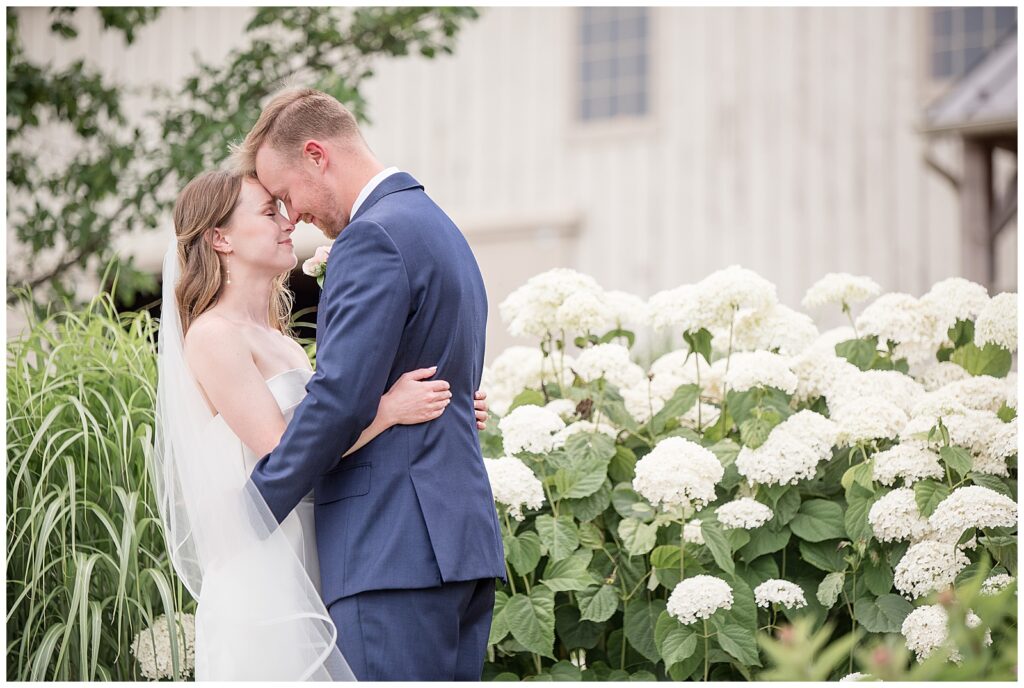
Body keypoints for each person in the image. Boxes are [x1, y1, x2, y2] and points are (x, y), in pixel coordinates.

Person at [152, 168, 491, 679]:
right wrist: (389, 411)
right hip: (266, 569)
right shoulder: (213, 337)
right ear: (220, 238)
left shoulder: (280, 339)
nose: (288, 222)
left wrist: (450, 400)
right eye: (269, 212)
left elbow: (331, 418)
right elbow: (285, 446)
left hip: (313, 544)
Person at [230, 87, 507, 681]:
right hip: (456, 544)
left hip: (390, 550)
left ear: (315, 154)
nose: (293, 215)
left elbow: (339, 397)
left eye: (285, 195)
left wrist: (254, 509)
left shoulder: (372, 238)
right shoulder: (439, 228)